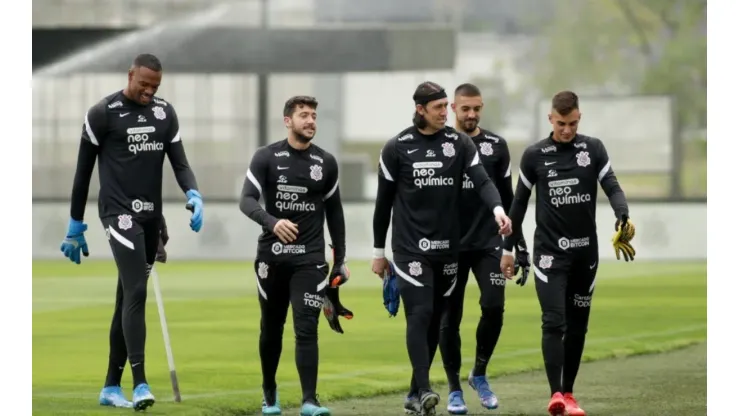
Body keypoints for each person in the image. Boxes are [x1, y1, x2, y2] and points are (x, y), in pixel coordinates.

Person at [59, 53, 204, 411]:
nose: (149, 91)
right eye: (144, 84)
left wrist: (193, 192)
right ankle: (140, 383)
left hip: (151, 218)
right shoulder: (102, 114)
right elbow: (82, 175)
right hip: (117, 213)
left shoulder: (164, 113)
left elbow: (179, 161)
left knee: (126, 299)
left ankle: (110, 386)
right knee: (137, 289)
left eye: (155, 86)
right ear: (130, 75)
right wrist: (75, 224)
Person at [371, 81, 513, 416]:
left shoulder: (459, 143)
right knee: (419, 315)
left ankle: (412, 392)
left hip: (448, 250)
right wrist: (379, 253)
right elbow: (383, 205)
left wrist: (497, 209)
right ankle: (423, 391)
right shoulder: (397, 147)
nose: (444, 113)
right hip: (410, 249)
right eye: (438, 107)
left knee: (436, 320)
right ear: (420, 109)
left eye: (445, 106)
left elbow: (482, 180)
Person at [500, 91, 636, 416]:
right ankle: (555, 394)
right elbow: (517, 206)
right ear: (550, 119)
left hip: (585, 255)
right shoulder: (534, 156)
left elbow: (613, 187)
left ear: (580, 117)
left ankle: (570, 394)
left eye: (572, 123)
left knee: (578, 327)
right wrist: (509, 248)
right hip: (549, 255)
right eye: (561, 123)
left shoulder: (593, 149)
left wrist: (623, 214)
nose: (567, 130)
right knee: (553, 322)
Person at [239, 95, 349, 416]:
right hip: (270, 260)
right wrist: (272, 222)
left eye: (314, 115)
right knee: (271, 329)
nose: (311, 121)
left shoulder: (325, 163)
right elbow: (247, 201)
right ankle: (269, 392)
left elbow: (336, 214)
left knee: (306, 327)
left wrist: (340, 259)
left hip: (310, 261)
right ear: (288, 120)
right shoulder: (266, 157)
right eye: (304, 115)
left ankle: (309, 401)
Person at [438, 83, 531, 415]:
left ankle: (478, 373)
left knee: (494, 307)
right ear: (453, 109)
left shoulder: (496, 146)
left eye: (476, 108)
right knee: (450, 318)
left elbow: (509, 200)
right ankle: (453, 389)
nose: (471, 114)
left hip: (489, 243)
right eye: (465, 108)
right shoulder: (441, 145)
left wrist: (517, 246)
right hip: (448, 247)